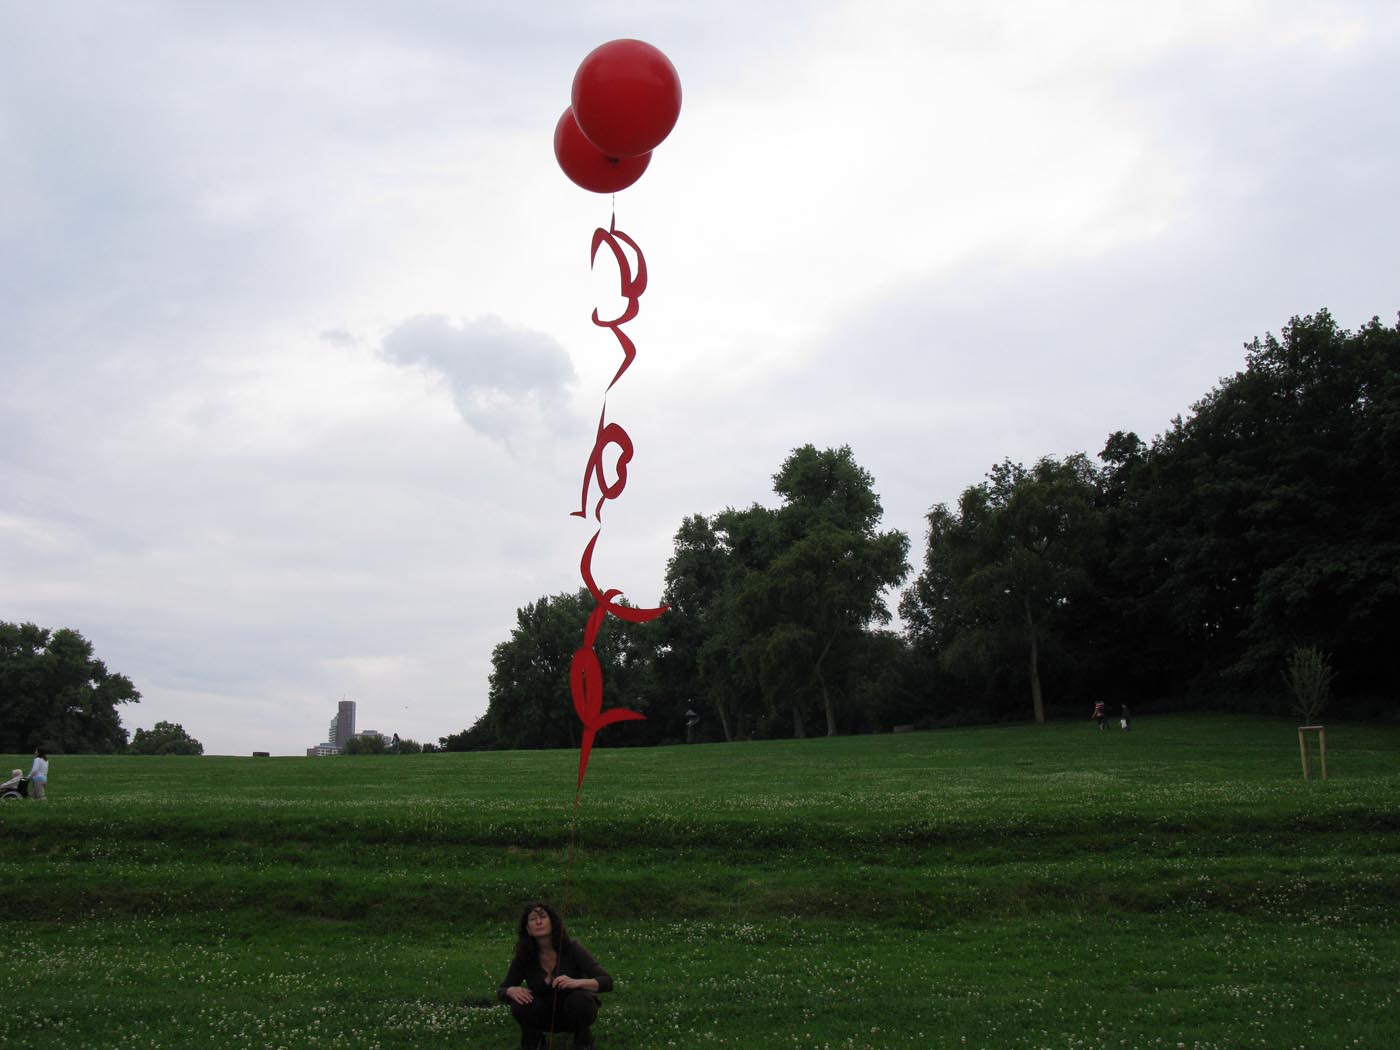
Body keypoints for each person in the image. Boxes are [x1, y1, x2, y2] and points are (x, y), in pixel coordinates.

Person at [498, 901, 612, 1050]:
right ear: (528, 929)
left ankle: (583, 1042)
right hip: (542, 1015)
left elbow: (607, 982)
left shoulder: (573, 949)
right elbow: (502, 990)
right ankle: (534, 1042)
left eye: (543, 917)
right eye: (533, 919)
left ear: (553, 923)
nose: (538, 922)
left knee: (581, 999)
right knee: (520, 1002)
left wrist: (576, 983)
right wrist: (510, 991)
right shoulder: (524, 957)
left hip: (573, 1014)